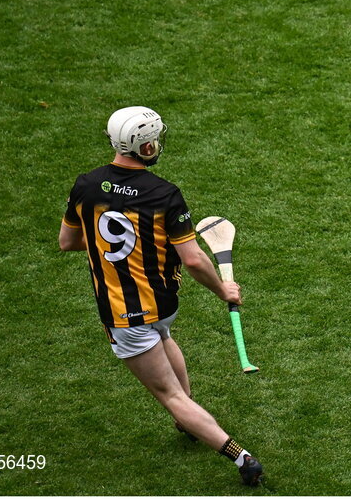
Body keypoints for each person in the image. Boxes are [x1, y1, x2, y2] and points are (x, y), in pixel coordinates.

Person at [59, 106, 264, 486]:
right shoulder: (163, 194)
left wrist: (111, 245)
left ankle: (241, 457)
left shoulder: (85, 186)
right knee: (163, 337)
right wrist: (223, 290)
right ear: (146, 147)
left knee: (170, 395)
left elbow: (67, 241)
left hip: (124, 315)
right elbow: (193, 260)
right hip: (163, 303)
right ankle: (188, 420)